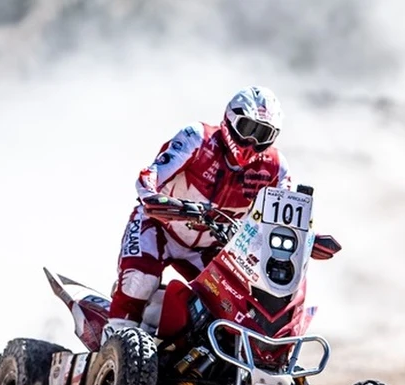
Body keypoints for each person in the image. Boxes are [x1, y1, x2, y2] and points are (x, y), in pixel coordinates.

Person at [103, 85, 292, 341]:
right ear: (230, 120)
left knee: (232, 302)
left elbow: (286, 216)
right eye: (248, 129)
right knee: (139, 280)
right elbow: (151, 174)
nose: (252, 142)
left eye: (263, 134)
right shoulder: (197, 137)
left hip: (211, 245)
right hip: (159, 226)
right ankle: (112, 346)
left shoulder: (276, 167)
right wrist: (153, 197)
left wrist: (309, 238)